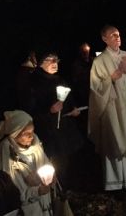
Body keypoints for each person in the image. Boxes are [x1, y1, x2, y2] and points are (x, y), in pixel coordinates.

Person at [88, 25, 126, 192]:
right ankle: (117, 183)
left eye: (119, 34)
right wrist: (110, 79)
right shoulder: (99, 61)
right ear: (104, 38)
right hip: (113, 109)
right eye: (113, 35)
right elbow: (95, 89)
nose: (118, 37)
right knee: (116, 141)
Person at [24, 51, 84, 190]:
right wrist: (49, 111)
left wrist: (74, 109)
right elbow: (29, 109)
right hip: (46, 131)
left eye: (56, 60)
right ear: (40, 63)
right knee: (52, 161)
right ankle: (53, 192)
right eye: (50, 60)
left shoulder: (60, 80)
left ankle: (65, 191)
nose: (54, 63)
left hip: (64, 128)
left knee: (65, 161)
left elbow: (69, 100)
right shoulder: (33, 82)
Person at [0, 110, 52, 215]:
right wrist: (37, 191)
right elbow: (12, 193)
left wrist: (52, 177)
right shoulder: (6, 152)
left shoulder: (36, 145)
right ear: (15, 133)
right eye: (27, 134)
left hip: (46, 206)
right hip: (29, 211)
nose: (31, 136)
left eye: (32, 132)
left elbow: (47, 166)